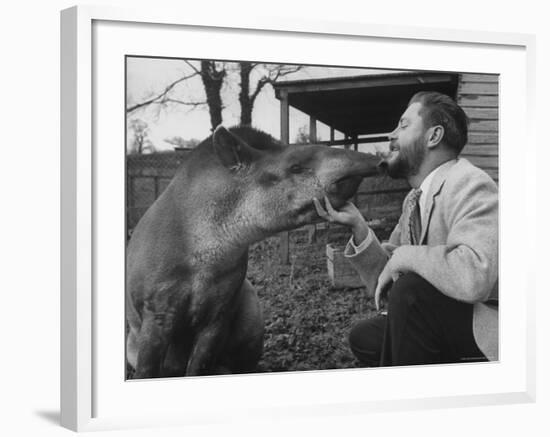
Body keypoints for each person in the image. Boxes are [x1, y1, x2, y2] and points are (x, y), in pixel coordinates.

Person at [314, 91, 498, 367]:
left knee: (411, 291)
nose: (391, 134)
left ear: (433, 137)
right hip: (438, 318)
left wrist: (404, 257)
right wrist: (359, 226)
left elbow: (474, 276)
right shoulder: (414, 200)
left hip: (484, 326)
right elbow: (385, 280)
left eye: (403, 125)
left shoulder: (470, 183)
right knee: (364, 337)